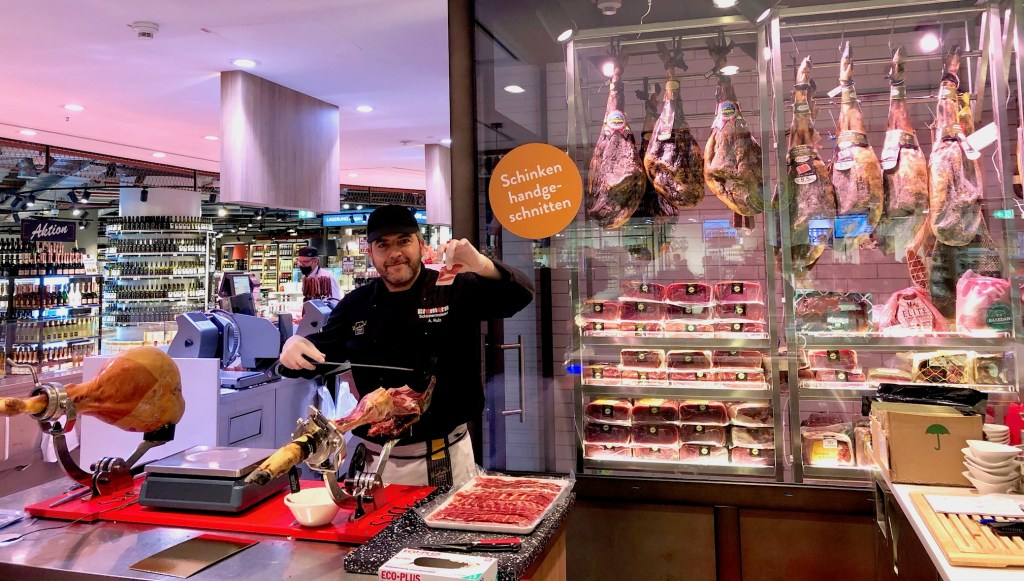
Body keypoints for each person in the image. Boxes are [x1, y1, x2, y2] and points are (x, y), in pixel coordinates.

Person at [278, 205, 534, 487]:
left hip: (443, 455)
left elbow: (519, 296)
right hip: (373, 463)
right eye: (383, 245)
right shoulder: (355, 305)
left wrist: (482, 265)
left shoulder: (454, 289)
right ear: (371, 252)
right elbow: (313, 359)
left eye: (403, 241)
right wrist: (291, 348)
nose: (394, 253)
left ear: (421, 245)